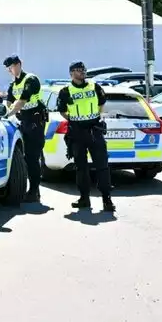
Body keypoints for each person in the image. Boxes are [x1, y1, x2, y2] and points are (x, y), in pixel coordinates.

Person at [55, 61, 114, 213]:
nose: (82, 72)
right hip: (77, 131)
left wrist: (94, 117)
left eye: (83, 70)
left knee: (102, 165)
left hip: (94, 129)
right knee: (81, 168)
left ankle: (107, 199)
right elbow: (62, 110)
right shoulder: (65, 91)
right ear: (71, 73)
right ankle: (84, 199)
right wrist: (75, 119)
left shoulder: (94, 86)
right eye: (78, 70)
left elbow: (101, 103)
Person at [2, 55, 46, 203]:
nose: (10, 71)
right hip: (23, 122)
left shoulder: (31, 80)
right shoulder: (13, 85)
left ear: (19, 64)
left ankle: (34, 191)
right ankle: (32, 190)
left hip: (35, 121)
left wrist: (8, 114)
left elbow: (21, 101)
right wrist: (8, 111)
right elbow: (9, 101)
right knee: (25, 158)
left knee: (33, 158)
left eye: (12, 67)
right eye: (8, 69)